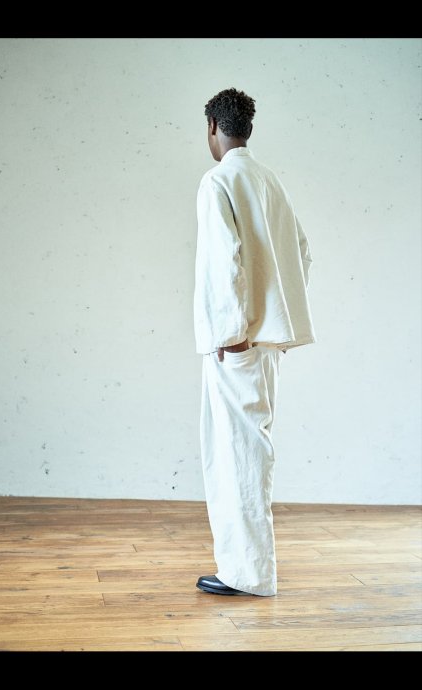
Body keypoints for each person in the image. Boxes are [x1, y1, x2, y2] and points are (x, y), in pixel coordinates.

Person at [194, 88, 316, 596]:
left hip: (237, 342)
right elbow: (302, 250)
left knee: (235, 455)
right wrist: (278, 322)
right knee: (253, 449)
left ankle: (246, 574)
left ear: (213, 128)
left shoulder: (219, 180)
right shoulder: (268, 180)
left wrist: (232, 334)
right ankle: (250, 569)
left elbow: (224, 262)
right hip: (265, 341)